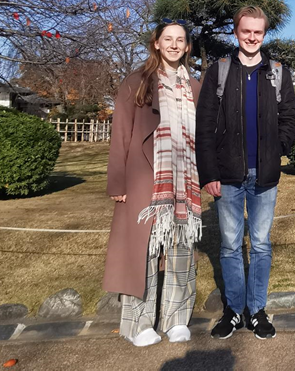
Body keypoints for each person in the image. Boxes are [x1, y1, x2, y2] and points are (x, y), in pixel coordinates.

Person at [196, 6, 295, 340]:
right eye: (246, 31)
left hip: (265, 174)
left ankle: (256, 310)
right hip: (227, 174)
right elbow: (205, 126)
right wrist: (208, 171)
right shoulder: (220, 71)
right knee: (228, 245)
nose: (252, 37)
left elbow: (290, 120)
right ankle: (233, 310)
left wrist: (277, 149)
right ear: (236, 32)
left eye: (258, 32)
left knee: (261, 244)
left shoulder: (279, 72)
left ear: (264, 34)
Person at [103, 21, 202, 347]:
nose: (174, 45)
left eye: (180, 40)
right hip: (145, 175)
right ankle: (138, 323)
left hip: (185, 180)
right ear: (156, 43)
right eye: (167, 39)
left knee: (181, 249)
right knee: (142, 251)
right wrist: (117, 180)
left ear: (187, 47)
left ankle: (177, 318)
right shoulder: (137, 82)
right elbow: (121, 133)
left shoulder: (195, 87)